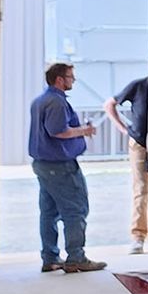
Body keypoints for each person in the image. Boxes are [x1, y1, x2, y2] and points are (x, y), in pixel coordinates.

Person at [29, 62, 105, 273]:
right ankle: (76, 257)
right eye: (71, 77)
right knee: (75, 210)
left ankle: (51, 257)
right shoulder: (56, 102)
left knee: (49, 212)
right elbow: (58, 131)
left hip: (44, 165)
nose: (73, 81)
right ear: (60, 79)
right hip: (60, 166)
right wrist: (84, 131)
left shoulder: (40, 100)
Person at [105, 76, 148, 254]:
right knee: (140, 189)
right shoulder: (138, 85)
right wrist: (123, 129)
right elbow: (109, 104)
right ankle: (138, 237)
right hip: (138, 142)